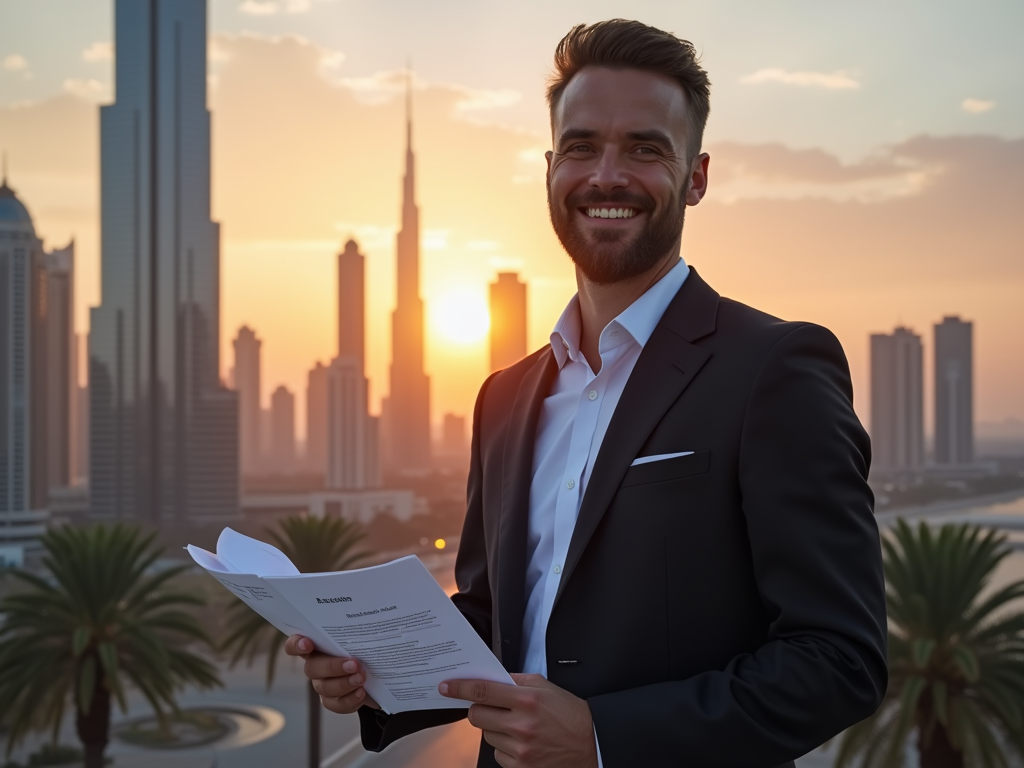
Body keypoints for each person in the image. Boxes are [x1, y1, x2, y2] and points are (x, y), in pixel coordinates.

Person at [285, 19, 888, 768]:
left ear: (696, 177)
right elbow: (491, 619)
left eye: (644, 148)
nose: (607, 176)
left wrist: (605, 739)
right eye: (581, 147)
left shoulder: (775, 367)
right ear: (548, 170)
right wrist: (371, 674)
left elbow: (840, 658)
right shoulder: (502, 397)